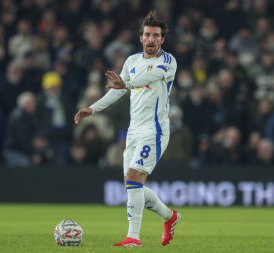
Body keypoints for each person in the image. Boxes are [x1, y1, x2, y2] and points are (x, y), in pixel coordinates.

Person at [75, 11, 180, 247]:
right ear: (141, 37)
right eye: (147, 35)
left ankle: (133, 237)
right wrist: (92, 109)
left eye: (156, 35)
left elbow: (144, 80)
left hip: (155, 131)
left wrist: (127, 84)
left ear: (162, 39)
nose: (151, 39)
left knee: (133, 178)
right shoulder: (132, 61)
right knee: (133, 186)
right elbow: (118, 89)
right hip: (134, 132)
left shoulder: (168, 62)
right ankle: (170, 216)